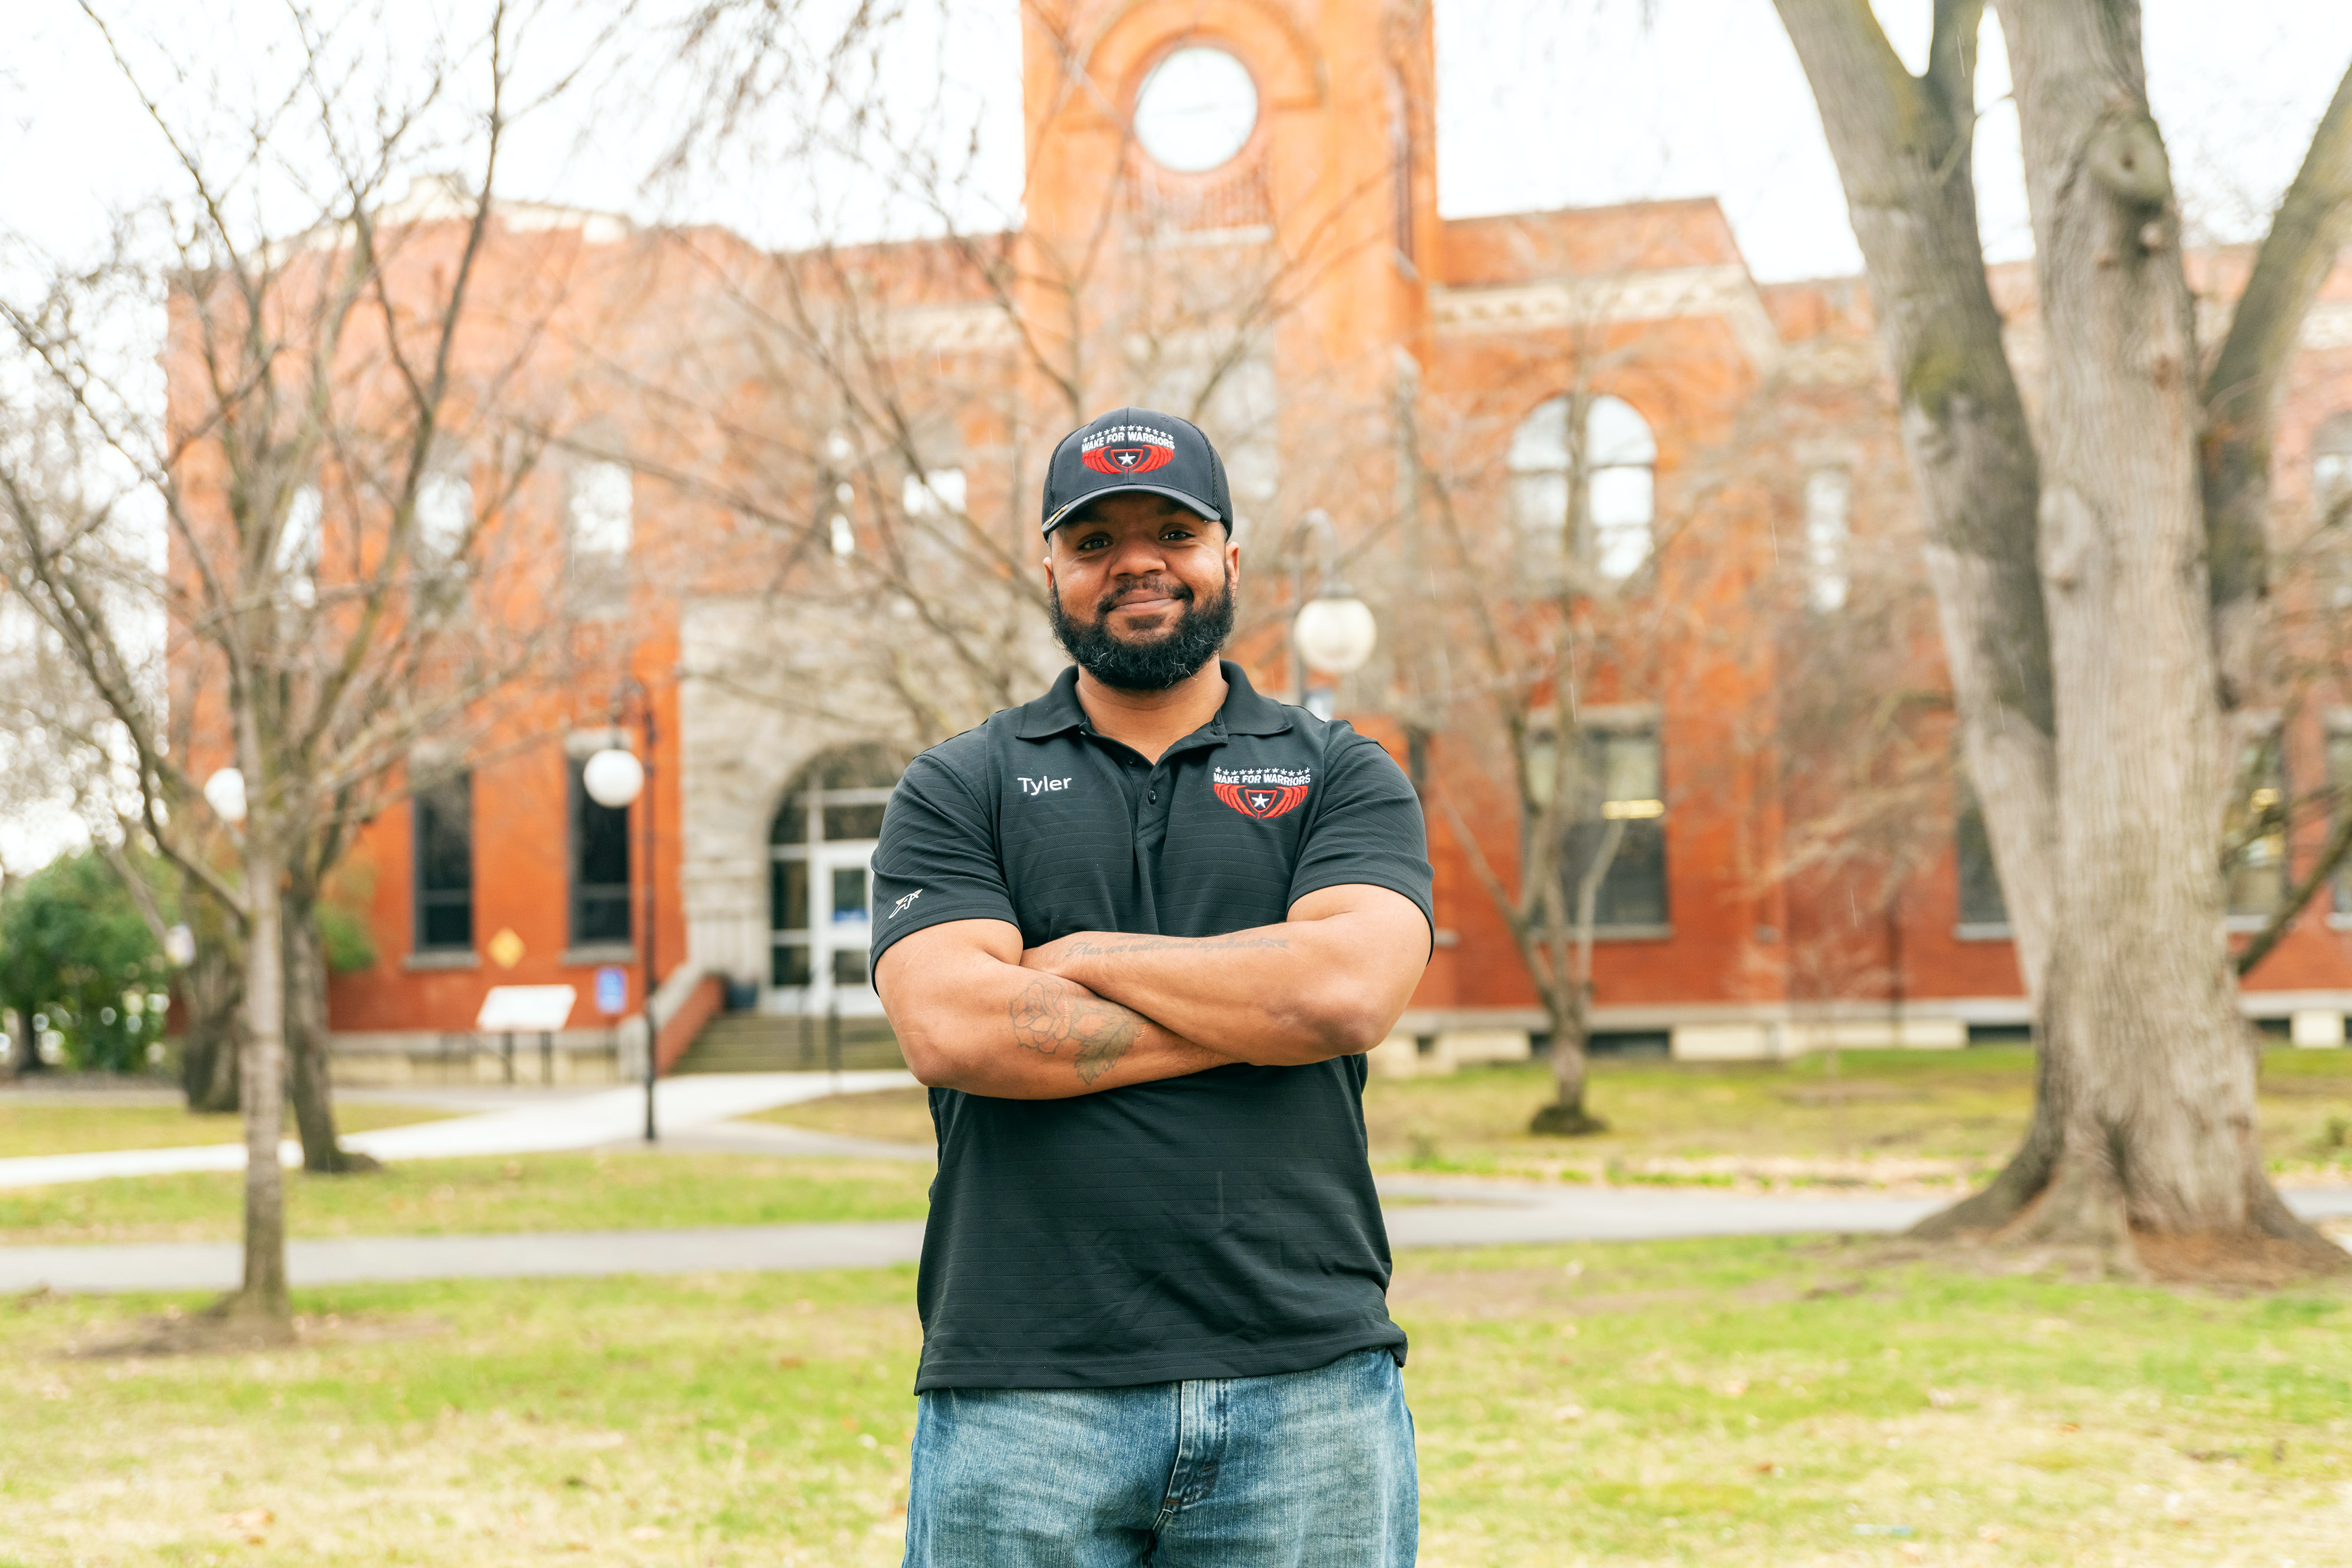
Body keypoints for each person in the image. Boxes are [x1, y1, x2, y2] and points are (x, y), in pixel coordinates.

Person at [870, 407, 1435, 1567]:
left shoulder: (1342, 773)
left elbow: (1340, 996)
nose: (1136, 561)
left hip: (1304, 1379)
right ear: (1050, 569)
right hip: (1024, 1387)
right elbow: (954, 1025)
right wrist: (1256, 1007)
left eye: (1171, 530)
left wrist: (1076, 954)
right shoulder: (957, 785)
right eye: (1094, 541)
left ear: (1227, 556)